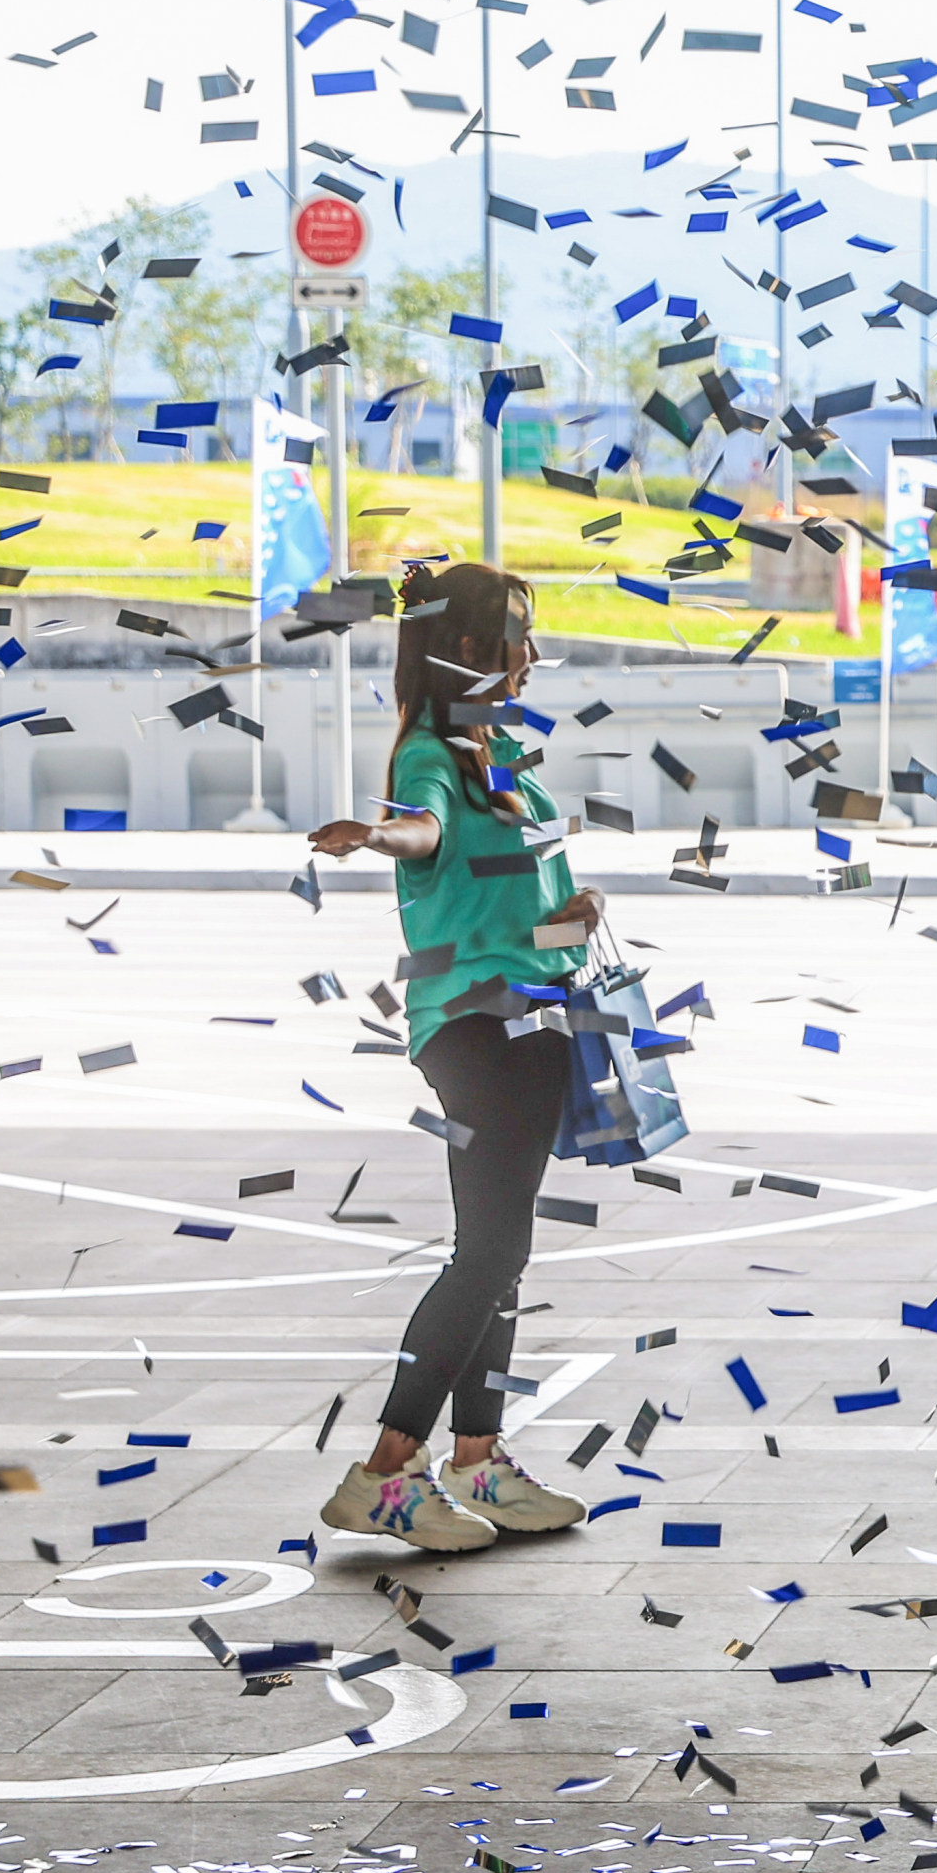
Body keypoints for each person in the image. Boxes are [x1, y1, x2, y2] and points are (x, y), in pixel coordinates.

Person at [300, 562, 602, 1552]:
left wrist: (574, 922)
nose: (535, 656)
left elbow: (511, 903)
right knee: (490, 1252)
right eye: (520, 637)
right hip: (479, 1029)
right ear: (469, 650)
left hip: (535, 1014)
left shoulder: (500, 750)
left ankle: (479, 1460)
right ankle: (388, 1472)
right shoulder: (430, 754)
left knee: (503, 1253)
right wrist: (377, 833)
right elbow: (422, 832)